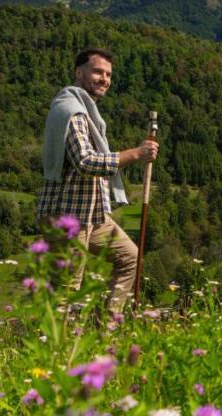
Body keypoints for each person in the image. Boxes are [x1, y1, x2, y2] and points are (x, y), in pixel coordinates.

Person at [37, 47, 159, 313]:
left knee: (130, 258)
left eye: (108, 74)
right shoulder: (72, 112)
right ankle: (59, 351)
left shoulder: (84, 110)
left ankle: (106, 328)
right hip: (67, 217)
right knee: (66, 291)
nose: (104, 79)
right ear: (79, 73)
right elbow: (86, 162)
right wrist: (136, 154)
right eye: (97, 72)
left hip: (93, 215)